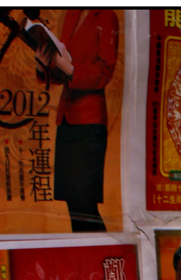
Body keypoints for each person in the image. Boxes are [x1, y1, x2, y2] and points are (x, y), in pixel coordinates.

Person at [33, 9, 119, 232]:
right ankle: (89, 251)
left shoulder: (107, 16)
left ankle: (102, 251)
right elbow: (62, 69)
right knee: (73, 203)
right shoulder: (71, 13)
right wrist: (43, 66)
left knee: (84, 204)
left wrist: (70, 69)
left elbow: (105, 72)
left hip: (90, 121)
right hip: (66, 118)